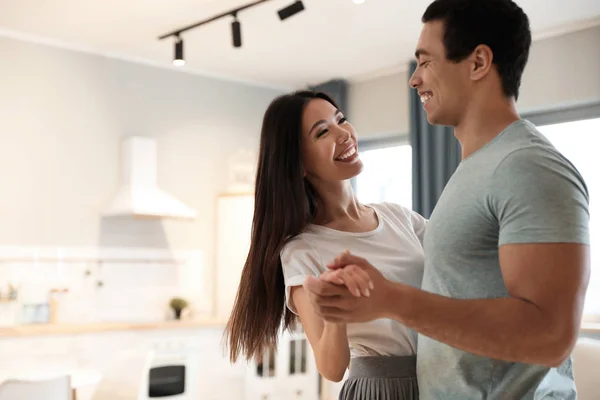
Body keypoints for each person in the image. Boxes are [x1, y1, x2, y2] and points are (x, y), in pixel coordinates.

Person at [303, 0, 591, 399]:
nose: (414, 79)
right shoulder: (474, 169)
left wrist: (393, 300)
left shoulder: (528, 166)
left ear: (478, 63)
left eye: (425, 62)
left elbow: (550, 335)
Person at [223, 90, 427, 399]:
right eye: (323, 132)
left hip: (441, 379)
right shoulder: (303, 250)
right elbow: (331, 368)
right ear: (300, 163)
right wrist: (337, 310)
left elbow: (461, 268)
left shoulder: (400, 217)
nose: (344, 133)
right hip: (382, 389)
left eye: (341, 120)